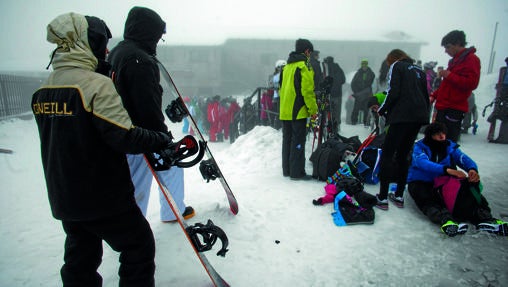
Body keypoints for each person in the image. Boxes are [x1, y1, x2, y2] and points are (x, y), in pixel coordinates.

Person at [32, 12, 176, 286]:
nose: (106, 49)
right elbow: (124, 136)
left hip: (64, 194)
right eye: (101, 42)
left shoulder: (45, 88)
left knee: (80, 258)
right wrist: (159, 139)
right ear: (88, 42)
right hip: (102, 193)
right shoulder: (96, 85)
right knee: (138, 247)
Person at [108, 6, 194, 223]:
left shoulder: (117, 52)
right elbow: (146, 103)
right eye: (157, 36)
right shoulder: (140, 60)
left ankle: (137, 221)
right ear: (149, 33)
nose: (157, 41)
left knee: (143, 178)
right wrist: (162, 136)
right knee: (166, 167)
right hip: (139, 133)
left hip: (120, 129)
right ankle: (151, 219)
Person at [407, 123, 508, 237]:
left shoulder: (449, 146)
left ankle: (484, 219)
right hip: (422, 181)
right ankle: (446, 221)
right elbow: (423, 163)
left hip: (443, 182)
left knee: (469, 190)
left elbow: (463, 158)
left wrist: (472, 169)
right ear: (430, 136)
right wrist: (447, 170)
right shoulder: (419, 147)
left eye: (443, 133)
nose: (441, 137)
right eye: (437, 134)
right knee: (427, 199)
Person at [374, 49, 430, 210]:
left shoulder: (397, 66)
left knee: (388, 154)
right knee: (404, 155)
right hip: (418, 116)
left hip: (401, 116)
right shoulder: (419, 70)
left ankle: (383, 198)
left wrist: (382, 109)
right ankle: (399, 195)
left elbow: (393, 91)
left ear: (392, 59)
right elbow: (425, 94)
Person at [430, 30, 481, 142]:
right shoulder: (455, 61)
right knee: (435, 141)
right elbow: (447, 85)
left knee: (447, 142)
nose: (446, 51)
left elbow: (472, 83)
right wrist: (434, 95)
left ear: (458, 44)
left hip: (453, 108)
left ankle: (447, 159)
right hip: (443, 107)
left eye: (448, 47)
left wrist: (449, 75)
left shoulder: (471, 59)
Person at [279, 38, 318, 180]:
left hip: (285, 110)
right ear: (307, 51)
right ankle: (297, 172)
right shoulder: (304, 66)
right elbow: (307, 91)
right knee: (298, 141)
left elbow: (281, 89)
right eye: (310, 53)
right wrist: (313, 111)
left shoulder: (286, 67)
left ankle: (287, 170)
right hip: (298, 110)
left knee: (287, 141)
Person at [322, 56, 346, 133]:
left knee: (328, 110)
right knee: (337, 111)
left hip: (329, 93)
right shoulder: (339, 69)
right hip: (338, 94)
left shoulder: (326, 70)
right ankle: (337, 125)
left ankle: (329, 126)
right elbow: (343, 80)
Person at [350, 59, 375, 126]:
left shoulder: (371, 74)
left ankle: (366, 122)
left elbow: (373, 84)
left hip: (367, 95)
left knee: (366, 109)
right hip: (359, 95)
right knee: (356, 109)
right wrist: (356, 91)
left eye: (365, 64)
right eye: (363, 65)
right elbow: (353, 84)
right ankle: (354, 122)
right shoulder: (358, 74)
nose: (364, 66)